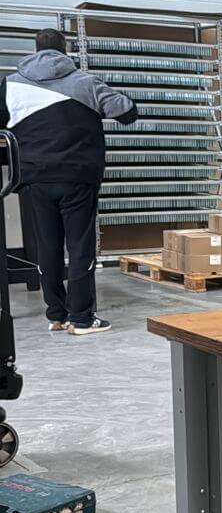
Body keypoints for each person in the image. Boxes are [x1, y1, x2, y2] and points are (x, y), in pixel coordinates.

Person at [0, 28, 138, 335]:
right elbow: (128, 112)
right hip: (77, 176)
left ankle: (57, 315)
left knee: (47, 246)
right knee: (79, 247)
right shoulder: (85, 82)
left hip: (35, 177)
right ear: (65, 50)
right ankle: (82, 319)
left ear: (35, 50)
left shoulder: (11, 84)